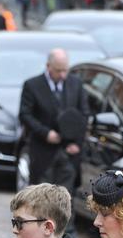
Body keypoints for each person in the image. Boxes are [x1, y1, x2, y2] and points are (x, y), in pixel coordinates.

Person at [17, 49, 89, 191]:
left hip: (69, 153)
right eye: (58, 71)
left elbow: (84, 115)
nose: (62, 75)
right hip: (43, 152)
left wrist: (77, 143)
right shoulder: (32, 85)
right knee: (41, 196)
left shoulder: (76, 84)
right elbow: (25, 115)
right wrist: (45, 133)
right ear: (48, 66)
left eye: (65, 70)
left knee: (66, 199)